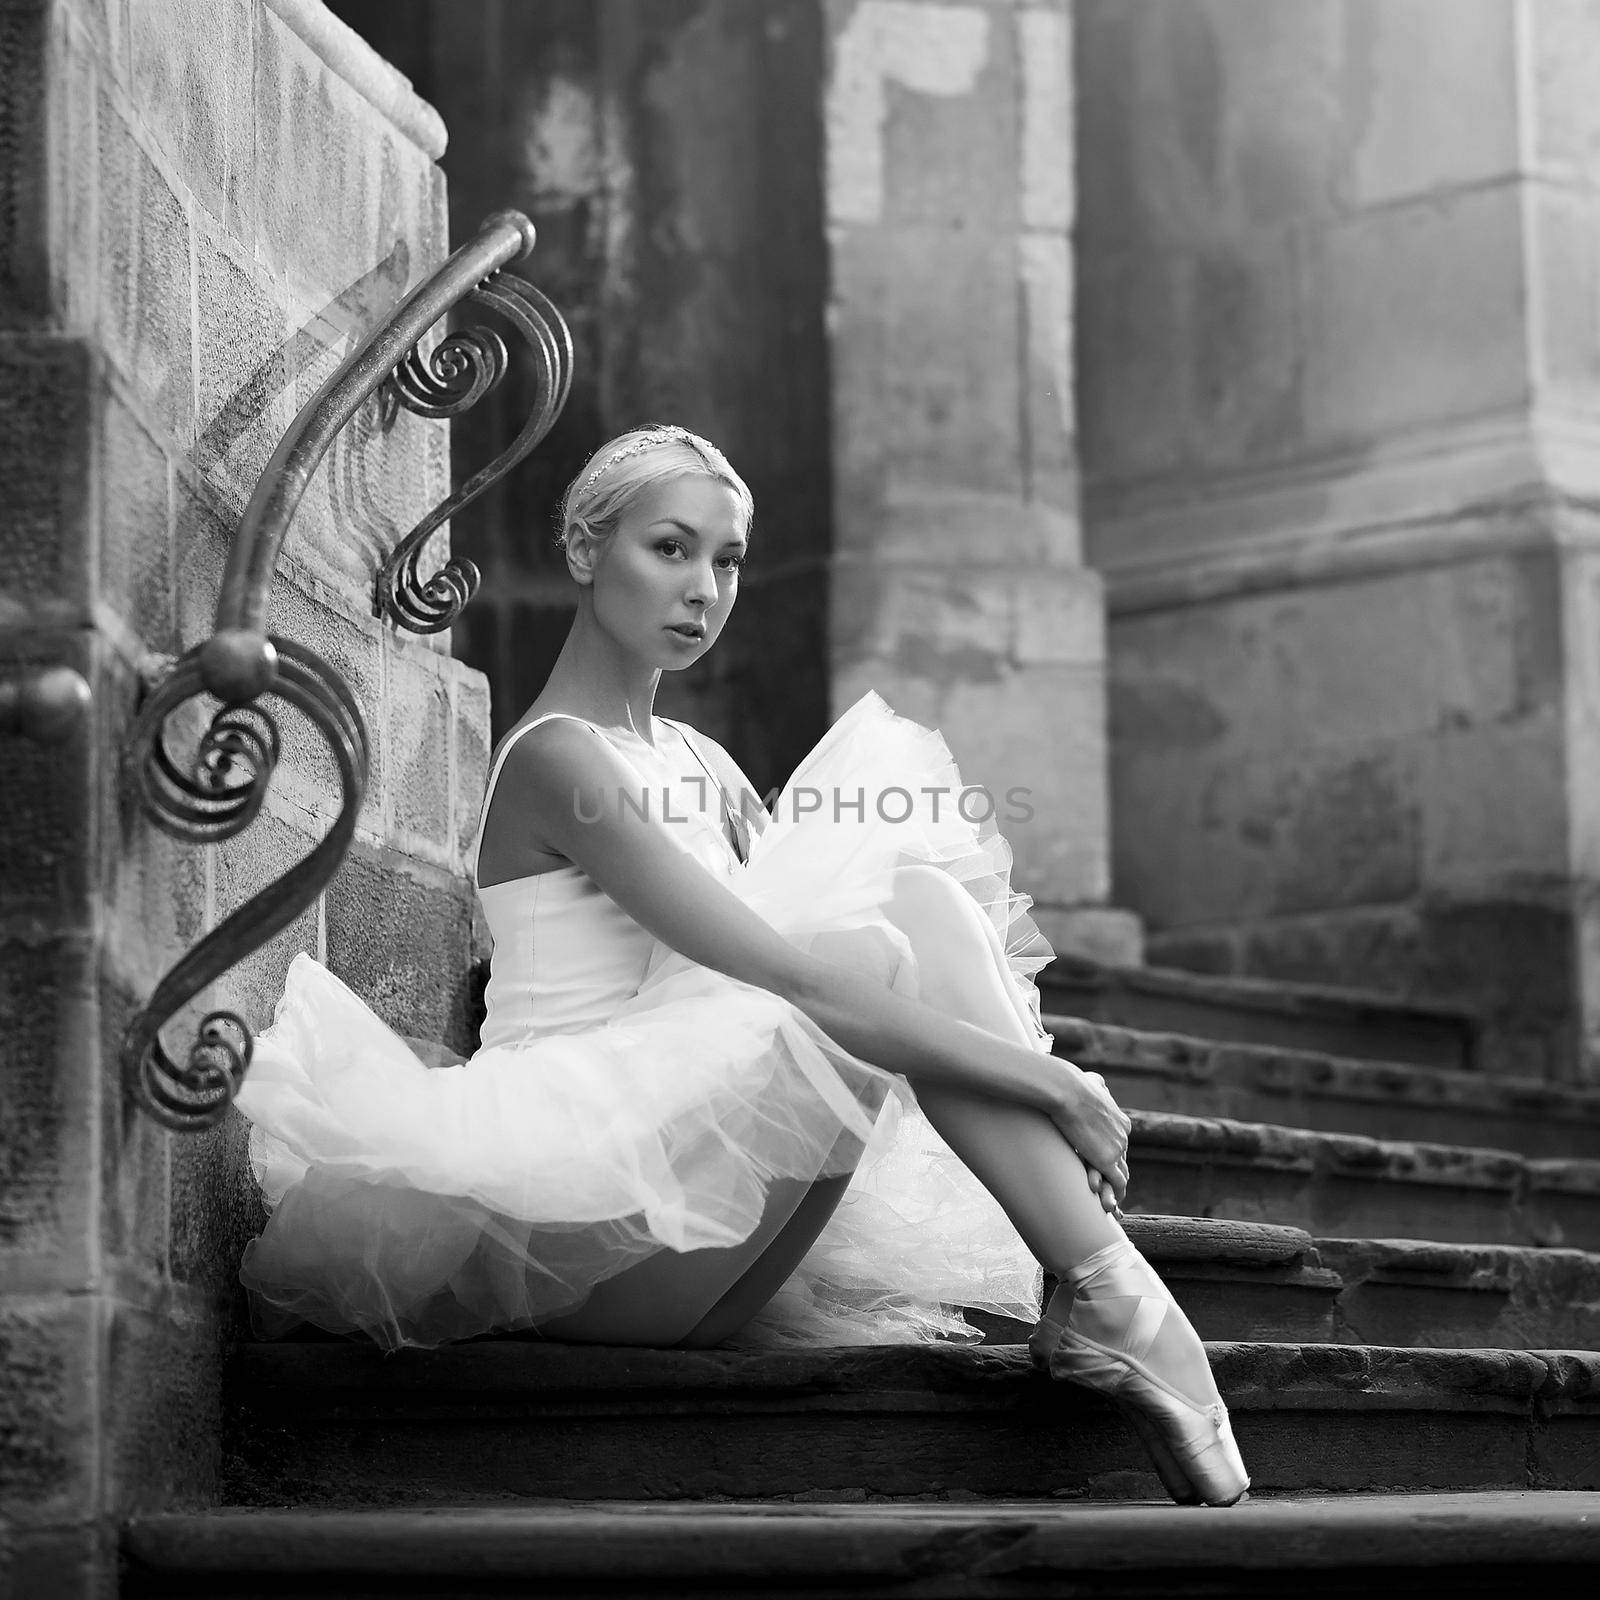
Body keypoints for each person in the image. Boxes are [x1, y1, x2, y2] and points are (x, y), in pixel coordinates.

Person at [233, 423, 1250, 1506]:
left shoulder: (703, 765)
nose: (702, 589)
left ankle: (1102, 1281)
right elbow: (802, 982)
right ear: (584, 551)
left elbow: (850, 960)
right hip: (577, 1228)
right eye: (669, 549)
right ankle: (1118, 1295)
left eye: (724, 561)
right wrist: (1049, 1079)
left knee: (914, 895)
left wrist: (1041, 1079)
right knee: (862, 941)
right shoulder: (557, 761)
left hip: (704, 1227)